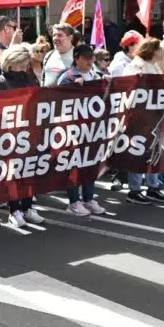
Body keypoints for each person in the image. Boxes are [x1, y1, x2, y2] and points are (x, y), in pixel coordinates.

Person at [0, 46, 45, 227]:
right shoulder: (1, 82)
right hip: (10, 135)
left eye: (25, 64)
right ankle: (14, 210)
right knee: (13, 174)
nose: (24, 68)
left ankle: (28, 207)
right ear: (10, 63)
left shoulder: (30, 78)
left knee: (29, 171)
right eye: (20, 64)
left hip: (29, 132)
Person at [57, 45, 107, 216]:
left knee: (91, 164)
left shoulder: (97, 75)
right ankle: (73, 201)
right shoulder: (67, 77)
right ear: (76, 58)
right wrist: (74, 88)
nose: (89, 62)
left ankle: (88, 198)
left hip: (93, 129)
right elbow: (58, 101)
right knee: (74, 165)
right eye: (85, 58)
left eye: (91, 58)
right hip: (74, 130)